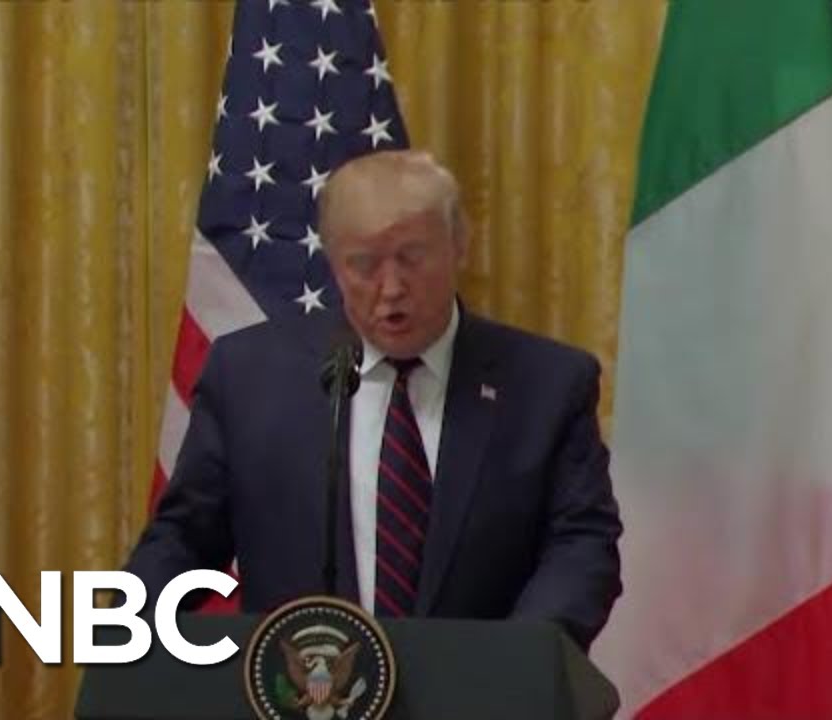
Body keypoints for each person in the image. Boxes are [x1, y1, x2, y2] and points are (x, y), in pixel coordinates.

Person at [125, 150, 622, 650]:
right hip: (304, 681)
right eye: (364, 264)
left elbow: (581, 544)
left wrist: (521, 658)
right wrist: (125, 637)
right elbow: (185, 537)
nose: (391, 288)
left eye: (413, 257)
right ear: (334, 263)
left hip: (484, 685)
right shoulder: (249, 377)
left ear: (459, 245)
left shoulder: (546, 385)